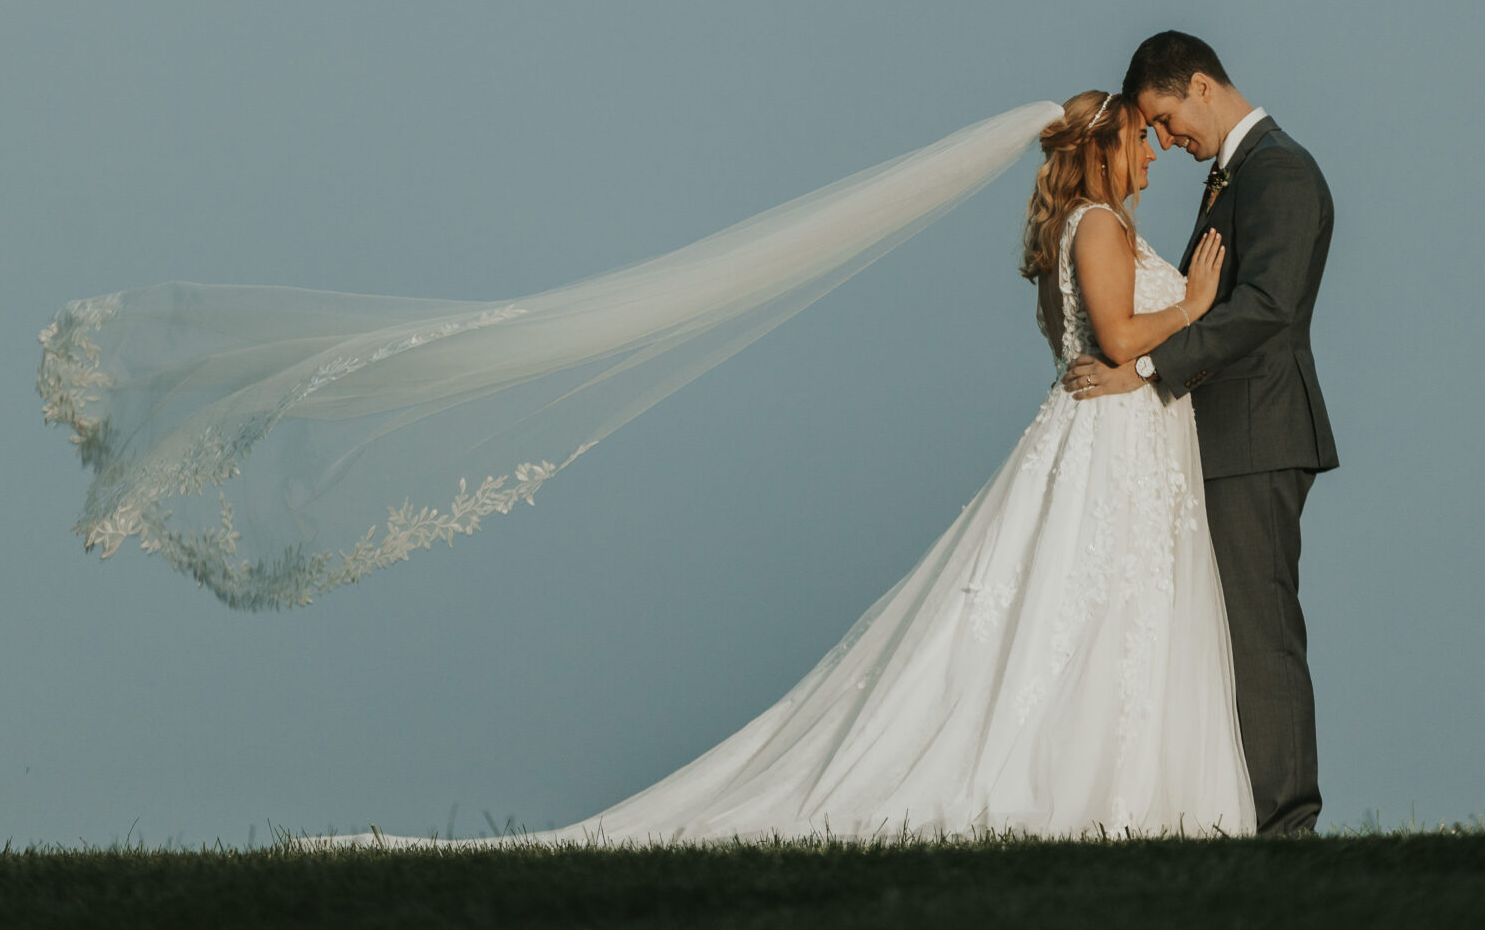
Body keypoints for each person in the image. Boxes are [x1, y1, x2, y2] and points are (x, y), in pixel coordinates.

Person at [319, 90, 1254, 849]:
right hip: (1110, 445)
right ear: (1105, 148)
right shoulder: (1096, 226)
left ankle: (1129, 793)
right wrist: (1199, 305)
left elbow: (1092, 347)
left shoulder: (1097, 226)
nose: (1153, 154)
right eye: (1142, 139)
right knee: (1077, 615)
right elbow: (1121, 336)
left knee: (1103, 618)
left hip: (1128, 443)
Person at [1062, 31, 1338, 836]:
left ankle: (1287, 824)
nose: (1166, 143)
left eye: (1167, 120)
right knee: (1220, 634)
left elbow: (1265, 308)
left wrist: (1145, 373)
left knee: (1260, 633)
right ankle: (1232, 814)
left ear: (1200, 87)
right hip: (1219, 436)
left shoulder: (1279, 172)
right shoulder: (1235, 176)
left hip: (1256, 436)